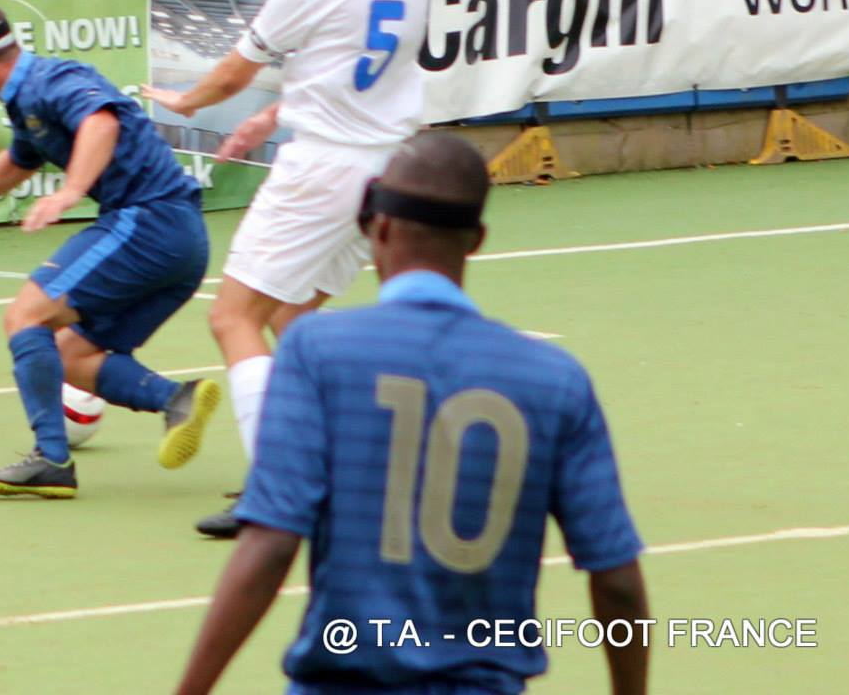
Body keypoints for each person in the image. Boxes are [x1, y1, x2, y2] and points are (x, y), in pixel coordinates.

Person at [173, 133, 648, 695]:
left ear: (379, 230)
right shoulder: (553, 379)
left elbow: (271, 544)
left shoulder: (319, 352)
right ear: (476, 240)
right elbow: (616, 578)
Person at [143, 0, 430, 538]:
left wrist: (184, 103)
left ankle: (277, 488)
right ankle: (350, 461)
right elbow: (352, 71)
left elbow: (233, 74)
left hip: (322, 170)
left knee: (233, 318)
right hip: (385, 169)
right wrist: (272, 117)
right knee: (293, 323)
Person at [0, 0, 220, 499]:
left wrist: (70, 191)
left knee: (26, 316)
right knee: (70, 353)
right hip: (180, 241)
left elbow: (101, 123)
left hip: (148, 221)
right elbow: (18, 161)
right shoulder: (26, 100)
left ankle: (51, 460)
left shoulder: (50, 80)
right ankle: (177, 400)